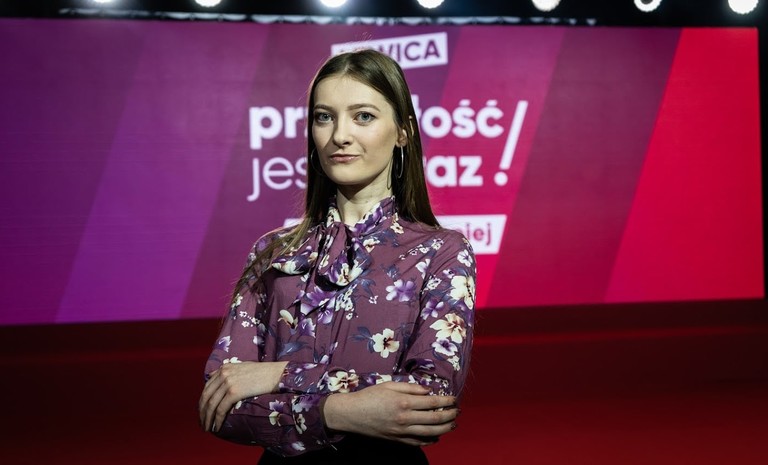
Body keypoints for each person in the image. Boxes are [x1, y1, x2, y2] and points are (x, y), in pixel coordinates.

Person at [198, 48, 476, 464]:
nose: (339, 135)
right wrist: (344, 410)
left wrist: (279, 375)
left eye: (363, 116)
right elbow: (222, 401)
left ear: (403, 132)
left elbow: (431, 398)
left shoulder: (442, 252)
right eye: (324, 117)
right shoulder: (272, 251)